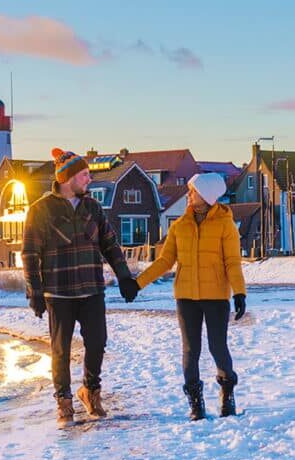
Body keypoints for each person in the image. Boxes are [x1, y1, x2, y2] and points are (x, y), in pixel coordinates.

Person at [22, 148, 139, 426]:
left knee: (97, 343)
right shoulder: (41, 210)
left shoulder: (93, 208)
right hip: (58, 293)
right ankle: (64, 404)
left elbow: (110, 246)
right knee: (60, 350)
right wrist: (34, 292)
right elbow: (29, 254)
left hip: (92, 290)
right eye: (85, 175)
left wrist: (124, 277)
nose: (89, 180)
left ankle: (90, 391)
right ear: (68, 178)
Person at [134, 172, 246, 420]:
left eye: (193, 191)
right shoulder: (179, 226)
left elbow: (233, 263)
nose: (188, 195)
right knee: (190, 350)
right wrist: (137, 283)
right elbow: (165, 260)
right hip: (185, 296)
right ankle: (195, 402)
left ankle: (227, 392)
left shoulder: (225, 225)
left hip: (216, 296)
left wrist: (239, 292)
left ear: (205, 196)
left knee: (218, 347)